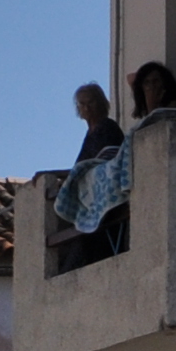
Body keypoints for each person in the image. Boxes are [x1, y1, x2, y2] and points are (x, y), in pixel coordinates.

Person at [54, 79, 132, 262]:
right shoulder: (91, 133)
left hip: (106, 204)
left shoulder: (107, 128)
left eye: (91, 102)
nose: (86, 108)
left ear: (101, 103)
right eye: (82, 104)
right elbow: (80, 168)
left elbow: (98, 164)